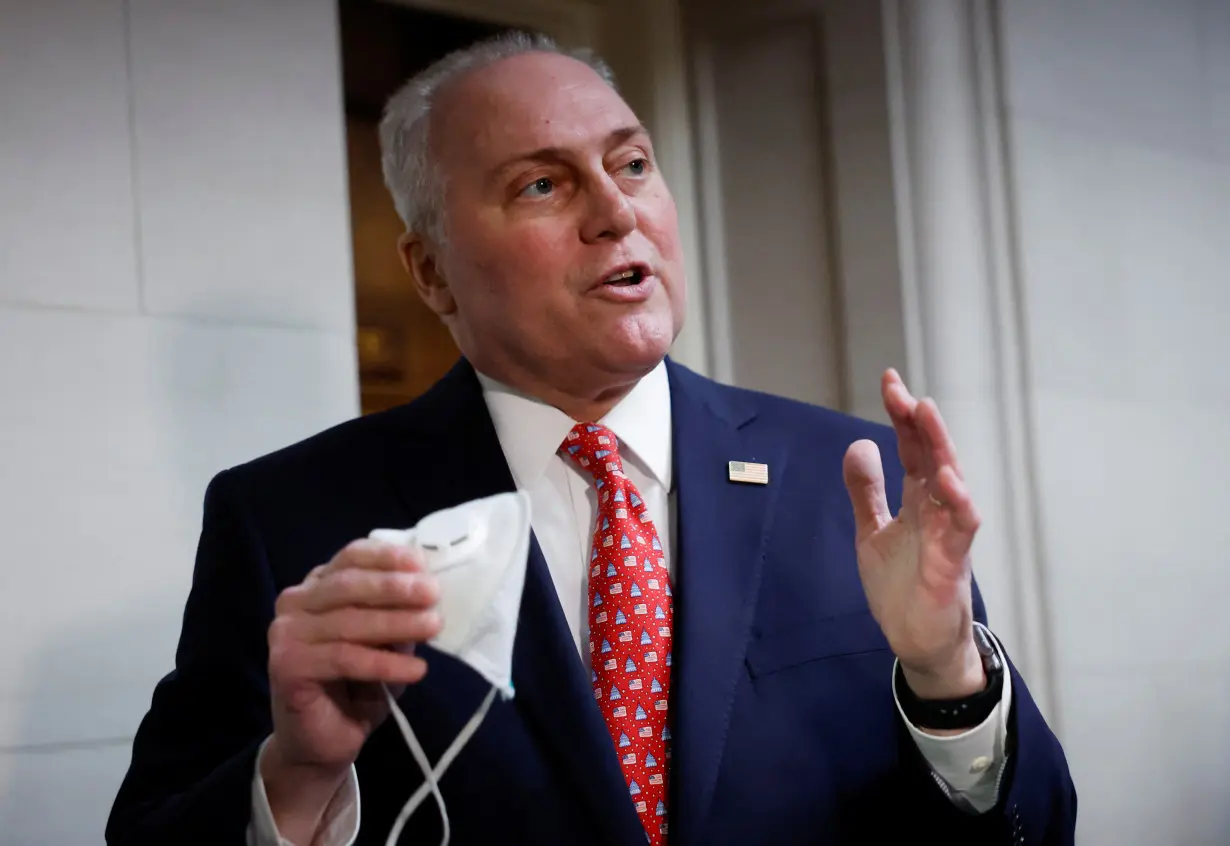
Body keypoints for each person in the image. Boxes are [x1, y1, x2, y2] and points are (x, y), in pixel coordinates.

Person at [106, 31, 1076, 846]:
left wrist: (950, 675)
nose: (617, 213)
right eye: (541, 186)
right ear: (433, 272)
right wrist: (299, 774)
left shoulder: (849, 480)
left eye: (632, 164)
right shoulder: (291, 520)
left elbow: (1037, 824)